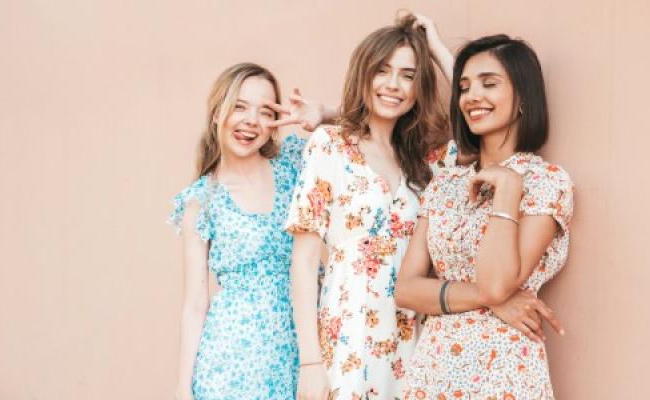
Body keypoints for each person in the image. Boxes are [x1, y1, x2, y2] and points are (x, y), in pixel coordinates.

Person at [395, 35, 574, 399]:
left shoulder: (546, 181)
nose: (472, 96)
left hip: (502, 372)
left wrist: (508, 191)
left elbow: (497, 282)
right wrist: (495, 300)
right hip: (434, 370)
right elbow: (407, 289)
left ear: (523, 96)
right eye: (464, 87)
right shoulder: (445, 183)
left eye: (488, 83)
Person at [285, 15, 454, 400]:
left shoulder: (427, 161)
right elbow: (305, 262)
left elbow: (472, 123)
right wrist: (310, 364)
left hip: (413, 338)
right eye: (382, 71)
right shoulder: (330, 145)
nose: (394, 84)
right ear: (364, 74)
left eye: (408, 75)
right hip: (349, 337)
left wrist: (439, 51)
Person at [169, 62, 328, 400]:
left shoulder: (296, 163)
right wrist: (183, 388)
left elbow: (365, 130)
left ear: (275, 123)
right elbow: (196, 303)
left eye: (264, 111)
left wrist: (322, 115)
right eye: (239, 107)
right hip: (230, 366)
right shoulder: (202, 200)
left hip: (305, 351)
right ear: (217, 114)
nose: (251, 121)